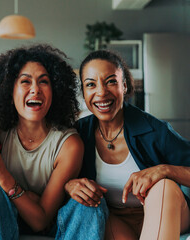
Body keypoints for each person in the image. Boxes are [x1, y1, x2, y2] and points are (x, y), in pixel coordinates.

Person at [0, 44, 108, 240]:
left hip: (56, 228)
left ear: (55, 92)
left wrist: (4, 178)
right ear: (10, 91)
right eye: (25, 81)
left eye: (43, 82)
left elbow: (40, 221)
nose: (35, 89)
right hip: (4, 224)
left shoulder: (68, 144)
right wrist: (30, 197)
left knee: (90, 203)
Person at [65, 49, 190, 239]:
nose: (101, 92)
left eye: (111, 81)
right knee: (90, 209)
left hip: (167, 213)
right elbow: (50, 179)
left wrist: (165, 170)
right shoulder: (78, 134)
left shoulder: (155, 130)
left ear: (124, 86)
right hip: (116, 221)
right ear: (83, 92)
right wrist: (69, 185)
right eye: (91, 84)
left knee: (163, 187)